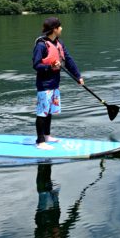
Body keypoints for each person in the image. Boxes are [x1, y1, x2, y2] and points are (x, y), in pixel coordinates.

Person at [32, 17, 83, 150]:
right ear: (54, 29)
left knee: (49, 111)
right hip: (44, 85)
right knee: (42, 113)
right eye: (60, 27)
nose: (61, 28)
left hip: (55, 84)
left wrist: (78, 76)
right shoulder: (41, 45)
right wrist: (50, 67)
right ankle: (40, 141)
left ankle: (47, 136)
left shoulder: (59, 43)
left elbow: (69, 60)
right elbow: (36, 65)